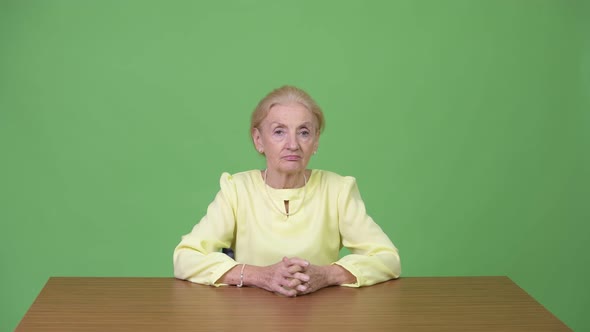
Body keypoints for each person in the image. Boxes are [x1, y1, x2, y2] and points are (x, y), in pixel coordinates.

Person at [173, 85, 401, 297]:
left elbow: (388, 259)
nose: (293, 144)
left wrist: (326, 275)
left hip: (322, 316)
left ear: (316, 140)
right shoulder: (237, 190)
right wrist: (259, 276)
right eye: (279, 132)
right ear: (258, 140)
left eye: (303, 132)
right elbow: (185, 258)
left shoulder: (338, 190)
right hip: (249, 317)